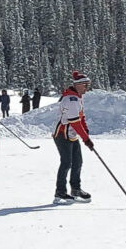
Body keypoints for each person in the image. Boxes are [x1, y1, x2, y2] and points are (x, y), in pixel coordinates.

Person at [52, 71, 94, 202]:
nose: (87, 88)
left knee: (78, 162)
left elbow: (81, 118)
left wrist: (85, 132)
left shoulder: (78, 97)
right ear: (78, 85)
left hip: (72, 135)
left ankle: (76, 189)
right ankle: (60, 192)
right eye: (85, 85)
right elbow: (74, 122)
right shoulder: (71, 99)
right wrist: (86, 139)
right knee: (66, 163)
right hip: (63, 135)